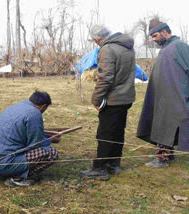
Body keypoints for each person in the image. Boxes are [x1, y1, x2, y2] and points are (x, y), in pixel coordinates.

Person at [80, 25, 136, 180]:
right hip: (126, 98)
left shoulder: (107, 49)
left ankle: (99, 169)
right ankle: (114, 164)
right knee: (118, 131)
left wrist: (95, 99)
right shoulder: (127, 47)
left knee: (105, 133)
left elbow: (106, 78)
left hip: (113, 100)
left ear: (97, 38)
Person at [137, 19, 189, 167]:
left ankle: (162, 159)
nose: (153, 40)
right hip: (164, 97)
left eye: (155, 36)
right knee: (162, 125)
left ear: (165, 32)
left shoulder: (179, 46)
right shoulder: (167, 48)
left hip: (175, 97)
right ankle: (167, 155)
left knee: (167, 125)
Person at [0, 91, 61, 187]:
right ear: (43, 106)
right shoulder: (34, 113)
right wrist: (51, 140)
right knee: (52, 153)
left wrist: (43, 134)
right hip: (4, 161)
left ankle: (4, 173)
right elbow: (36, 144)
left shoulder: (16, 107)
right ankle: (16, 178)